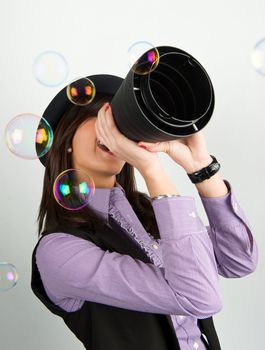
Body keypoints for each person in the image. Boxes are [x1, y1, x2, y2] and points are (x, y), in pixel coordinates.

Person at [31, 74, 258, 350]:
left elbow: (237, 260)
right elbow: (200, 297)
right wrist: (151, 168)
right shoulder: (59, 249)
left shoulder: (155, 212)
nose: (113, 129)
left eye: (120, 121)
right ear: (67, 137)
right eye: (101, 117)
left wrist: (200, 167)